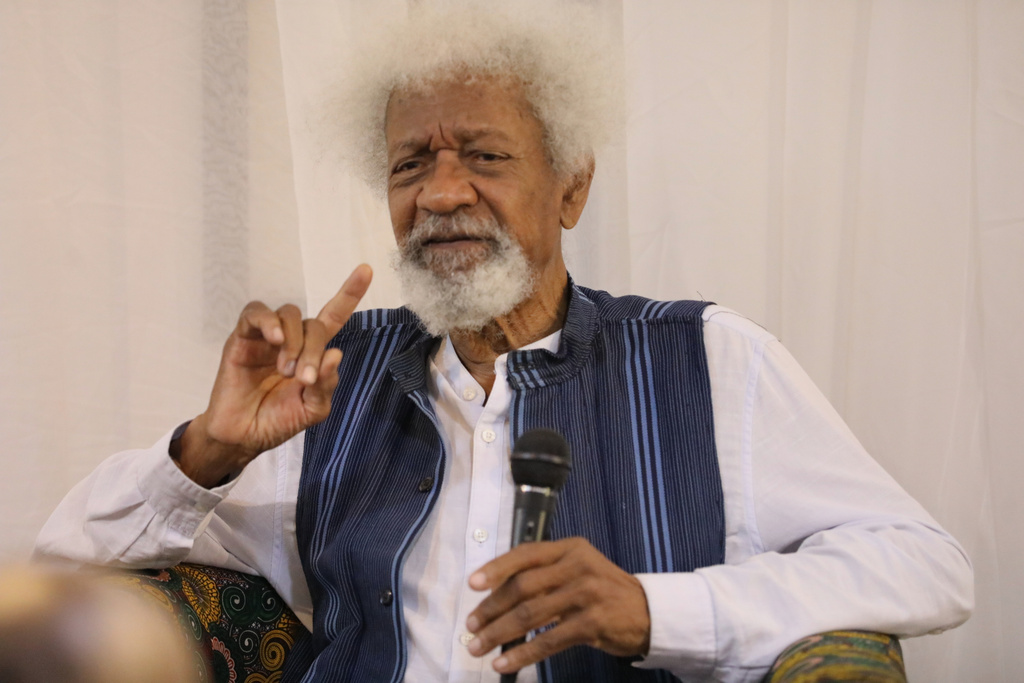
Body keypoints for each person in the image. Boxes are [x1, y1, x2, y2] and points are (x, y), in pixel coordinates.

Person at [35, 2, 973, 682]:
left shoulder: (708, 360)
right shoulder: (323, 385)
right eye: (412, 164)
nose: (441, 193)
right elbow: (60, 585)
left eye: (483, 156)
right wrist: (210, 450)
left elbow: (926, 564)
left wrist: (657, 610)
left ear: (570, 187)